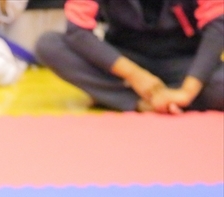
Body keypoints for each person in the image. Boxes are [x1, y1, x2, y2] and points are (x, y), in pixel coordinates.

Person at [36, 0, 224, 113]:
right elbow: (77, 31)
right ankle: (141, 102)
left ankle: (118, 97)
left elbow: (218, 26)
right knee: (50, 45)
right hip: (125, 59)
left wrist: (187, 92)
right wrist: (135, 75)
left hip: (184, 61)